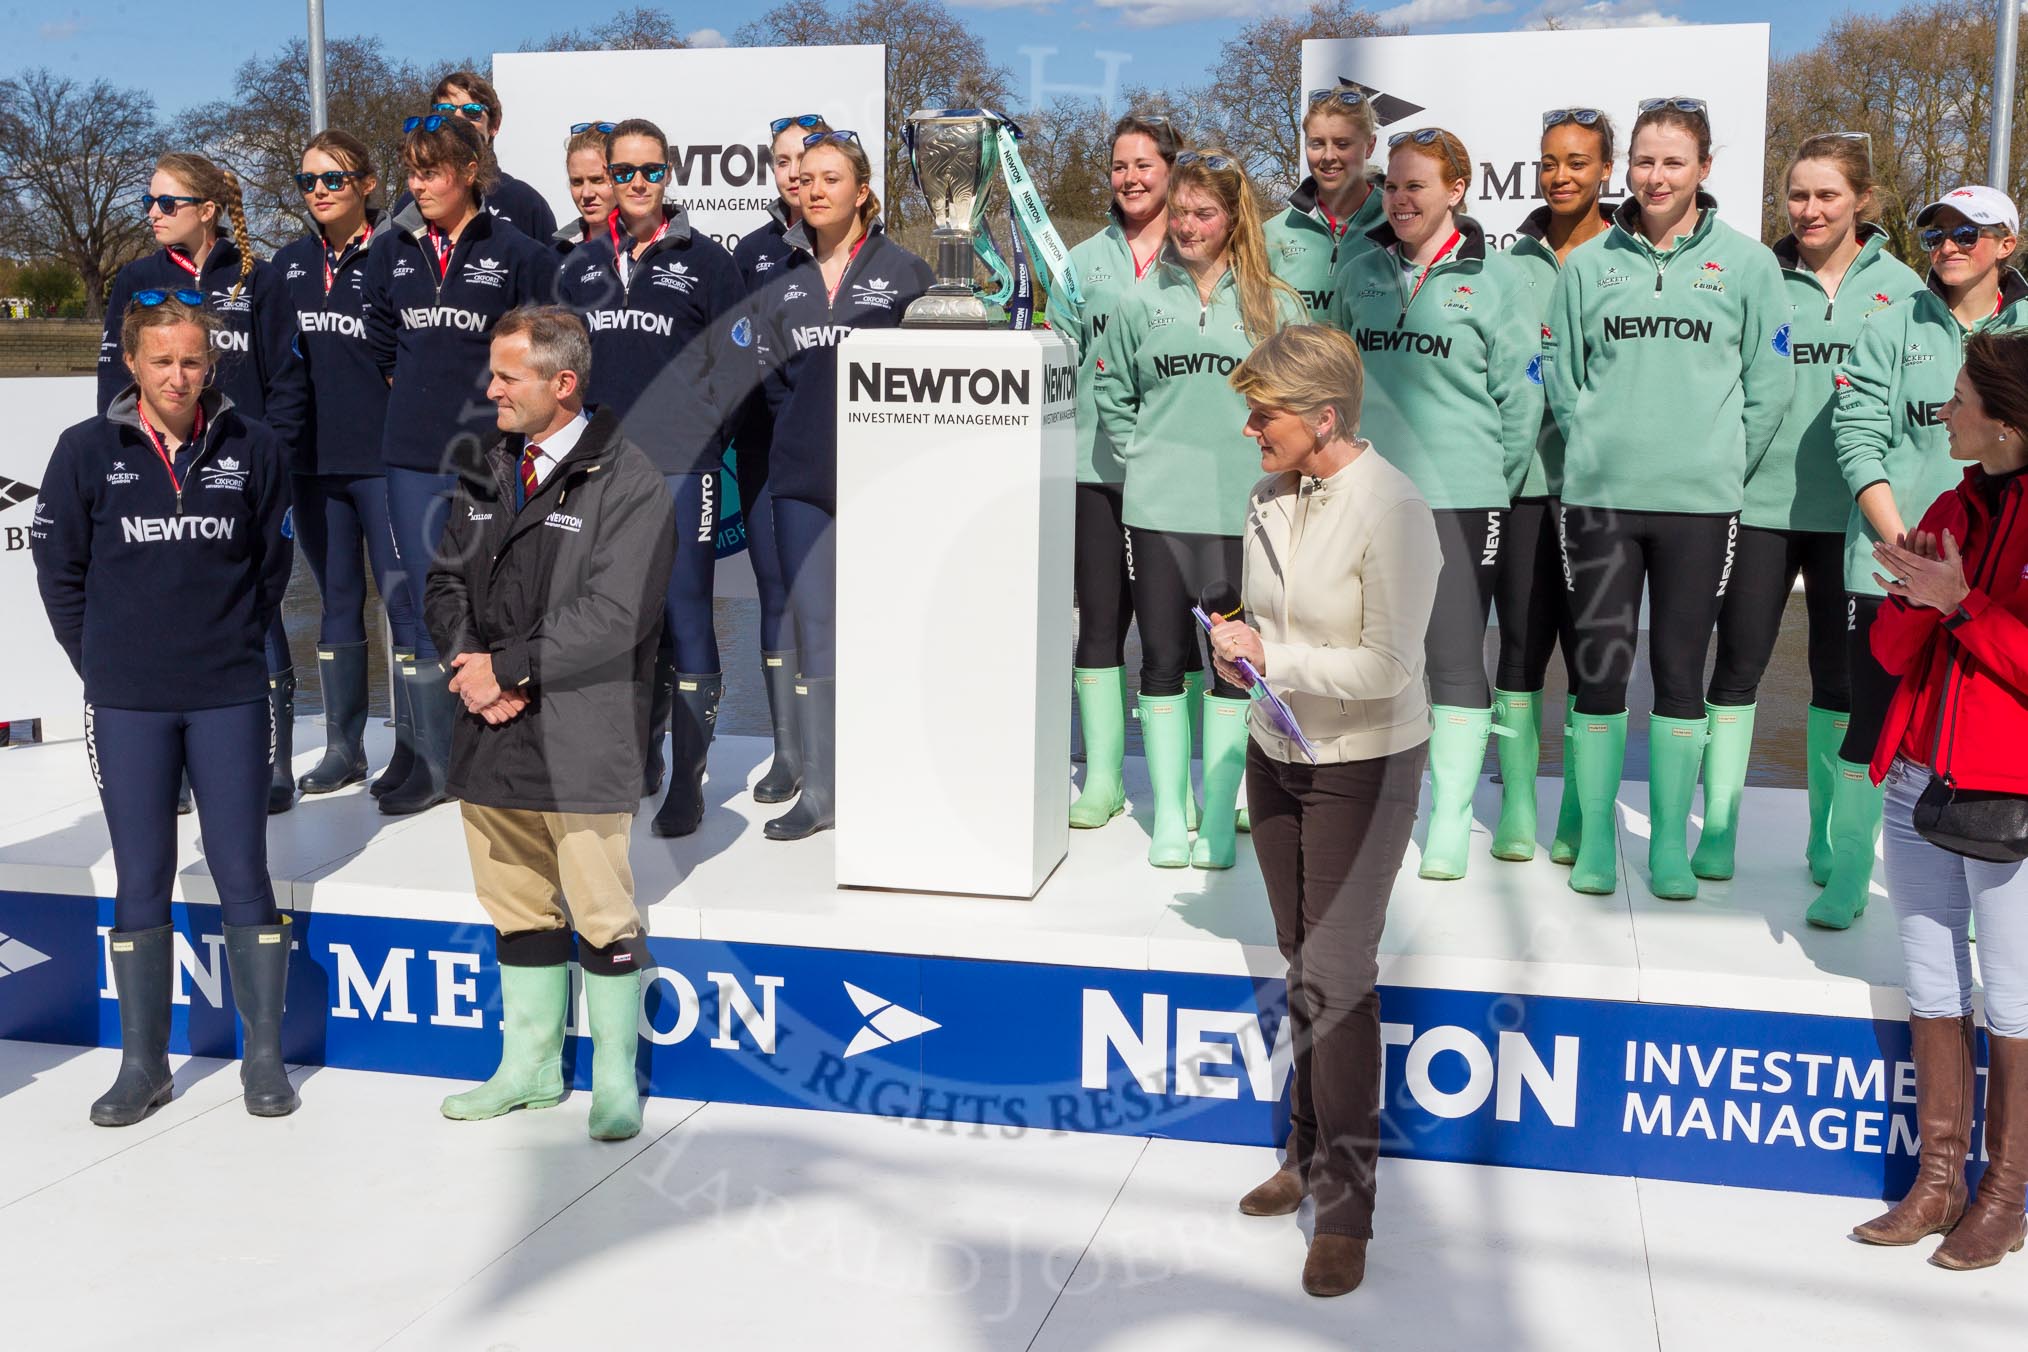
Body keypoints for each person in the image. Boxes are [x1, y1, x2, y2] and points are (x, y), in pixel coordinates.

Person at [1211, 324, 1440, 1298]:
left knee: (1341, 971)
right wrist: (1234, 646)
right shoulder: (1268, 494)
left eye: (1265, 412)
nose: (1251, 427)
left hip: (1368, 761)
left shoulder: (1393, 507)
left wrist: (1274, 658)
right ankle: (1304, 1150)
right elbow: (1273, 622)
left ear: (1324, 417)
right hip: (1277, 754)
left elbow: (1390, 667)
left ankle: (1347, 1203)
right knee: (1302, 956)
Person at [32, 294, 296, 1125]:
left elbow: (270, 568)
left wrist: (228, 646)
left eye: (191, 361)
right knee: (141, 872)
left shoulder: (255, 446)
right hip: (127, 700)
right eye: (161, 361)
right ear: (132, 365)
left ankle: (263, 1058)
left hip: (227, 691)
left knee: (240, 867)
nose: (177, 376)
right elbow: (60, 574)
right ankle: (143, 1064)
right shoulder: (84, 450)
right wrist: (103, 662)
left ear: (209, 364)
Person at [425, 306, 674, 1142]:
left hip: (583, 733)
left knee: (602, 912)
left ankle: (612, 1080)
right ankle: (527, 1070)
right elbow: (442, 584)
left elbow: (618, 614)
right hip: (490, 729)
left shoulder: (629, 480)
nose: (488, 388)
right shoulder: (481, 465)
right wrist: (470, 668)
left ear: (562, 385)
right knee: (517, 908)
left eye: (506, 376)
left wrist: (511, 667)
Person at [1540, 97, 1793, 899]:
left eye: (1673, 161)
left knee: (1681, 674)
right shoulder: (1586, 266)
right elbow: (1562, 378)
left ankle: (1672, 853)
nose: (1656, 175)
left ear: (1704, 169)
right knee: (1600, 670)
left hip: (1700, 508)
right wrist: (1598, 446)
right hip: (1602, 506)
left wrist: (1715, 462)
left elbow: (1770, 385)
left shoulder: (1750, 267)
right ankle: (1593, 843)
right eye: (1645, 160)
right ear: (1628, 169)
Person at [1688, 136, 1923, 896]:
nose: (1810, 209)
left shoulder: (1902, 286)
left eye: (1827, 195)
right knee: (1738, 666)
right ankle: (1719, 832)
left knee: (1838, 680)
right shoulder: (1760, 273)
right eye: (1797, 194)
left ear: (1862, 199)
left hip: (1854, 520)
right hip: (1762, 506)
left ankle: (1826, 843)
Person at [1857, 330, 2028, 1269]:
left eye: (1960, 399)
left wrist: (1963, 603)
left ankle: (2004, 1197)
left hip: (2010, 799)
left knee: (2013, 997)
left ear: (2006, 421)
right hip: (1919, 779)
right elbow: (1888, 658)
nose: (1945, 412)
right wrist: (1916, 602)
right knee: (1932, 982)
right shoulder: (1949, 505)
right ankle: (1937, 1183)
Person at [1327, 127, 1540, 881]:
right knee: (1376, 655)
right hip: (1371, 496)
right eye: (1392, 185)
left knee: (1452, 661)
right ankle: (1384, 804)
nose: (1401, 198)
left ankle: (1447, 820)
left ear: (1457, 190)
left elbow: (1520, 401)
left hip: (1462, 497)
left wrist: (1487, 484)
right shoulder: (1361, 269)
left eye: (1418, 185)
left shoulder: (1499, 279)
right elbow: (1339, 382)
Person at [1094, 149, 1306, 871]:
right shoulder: (1142, 300)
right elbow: (1114, 394)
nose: (1186, 225)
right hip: (1157, 514)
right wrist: (1144, 458)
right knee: (1159, 663)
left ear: (1232, 217)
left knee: (1232, 670)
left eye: (1202, 213)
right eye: (1178, 211)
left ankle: (1218, 817)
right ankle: (1168, 820)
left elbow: (1300, 405)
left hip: (1244, 516)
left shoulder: (1276, 303)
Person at [1825, 185, 2028, 927]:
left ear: (2006, 243)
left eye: (1967, 233)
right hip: (1897, 559)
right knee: (1870, 723)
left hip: (1998, 578)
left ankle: (1989, 894)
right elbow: (1857, 437)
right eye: (1935, 232)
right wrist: (1909, 553)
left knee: (1984, 731)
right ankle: (1850, 871)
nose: (1947, 245)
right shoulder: (1889, 324)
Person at [365, 111, 560, 817]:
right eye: (411, 171)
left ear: (469, 172)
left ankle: (508, 748)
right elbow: (384, 342)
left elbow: (544, 351)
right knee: (423, 608)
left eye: (431, 171)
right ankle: (434, 762)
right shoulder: (391, 251)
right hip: (412, 454)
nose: (417, 184)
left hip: (490, 454)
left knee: (498, 602)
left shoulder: (518, 251)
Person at [100, 151, 302, 815]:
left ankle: (271, 764)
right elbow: (113, 388)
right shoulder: (134, 278)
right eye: (148, 203)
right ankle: (177, 768)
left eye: (168, 203)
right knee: (170, 608)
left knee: (257, 610)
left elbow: (287, 385)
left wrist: (271, 465)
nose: (153, 215)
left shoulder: (260, 281)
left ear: (209, 209)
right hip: (161, 474)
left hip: (242, 473)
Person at [558, 117, 743, 838]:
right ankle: (637, 759)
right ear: (606, 174)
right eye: (623, 171)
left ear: (670, 174)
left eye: (650, 170)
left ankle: (689, 785)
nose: (636, 183)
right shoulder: (574, 263)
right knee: (615, 620)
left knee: (687, 614)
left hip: (678, 466)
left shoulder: (705, 259)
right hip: (598, 467)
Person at [748, 130, 932, 841]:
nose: (816, 187)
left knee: (888, 623)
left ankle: (892, 770)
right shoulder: (780, 280)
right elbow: (769, 386)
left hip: (882, 480)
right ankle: (821, 790)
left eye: (833, 177)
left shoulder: (908, 272)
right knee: (814, 627)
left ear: (862, 192)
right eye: (807, 176)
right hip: (799, 475)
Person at [272, 130, 424, 800]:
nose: (321, 193)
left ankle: (422, 750)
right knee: (336, 602)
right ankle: (344, 748)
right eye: (309, 181)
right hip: (313, 465)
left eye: (334, 179)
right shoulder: (288, 265)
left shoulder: (398, 253)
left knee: (406, 601)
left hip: (388, 464)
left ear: (367, 184)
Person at [1495, 107, 1614, 867]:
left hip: (1603, 491)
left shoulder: (1629, 260)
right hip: (1526, 488)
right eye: (1549, 162)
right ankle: (1514, 809)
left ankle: (1576, 811)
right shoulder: (1511, 263)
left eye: (1577, 162)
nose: (1561, 175)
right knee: (1518, 649)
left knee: (1591, 654)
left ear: (1606, 170)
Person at [1062, 112, 1180, 831]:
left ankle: (1185, 782)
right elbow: (1060, 358)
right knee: (1100, 623)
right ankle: (1103, 778)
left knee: (1175, 635)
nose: (1130, 179)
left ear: (1170, 169)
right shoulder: (1080, 262)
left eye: (1144, 165)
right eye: (1119, 167)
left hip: (1178, 476)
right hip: (1094, 467)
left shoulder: (1198, 250)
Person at [727, 113, 833, 810]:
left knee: (836, 609)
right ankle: (788, 751)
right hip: (770, 450)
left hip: (841, 456)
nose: (793, 174)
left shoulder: (874, 255)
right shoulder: (757, 251)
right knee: (778, 598)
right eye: (781, 162)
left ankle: (837, 751)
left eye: (806, 162)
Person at [395, 70, 559, 241]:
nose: (458, 118)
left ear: (494, 125)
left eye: (472, 111)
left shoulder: (524, 202)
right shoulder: (409, 205)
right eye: (445, 111)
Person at [1271, 87, 1383, 320]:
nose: (1328, 156)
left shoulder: (1398, 226)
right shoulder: (1273, 234)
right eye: (1317, 144)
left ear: (1370, 146)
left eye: (1342, 144)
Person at [555, 122, 618, 255]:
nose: (586, 194)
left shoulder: (649, 246)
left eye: (597, 180)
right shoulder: (559, 253)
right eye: (577, 182)